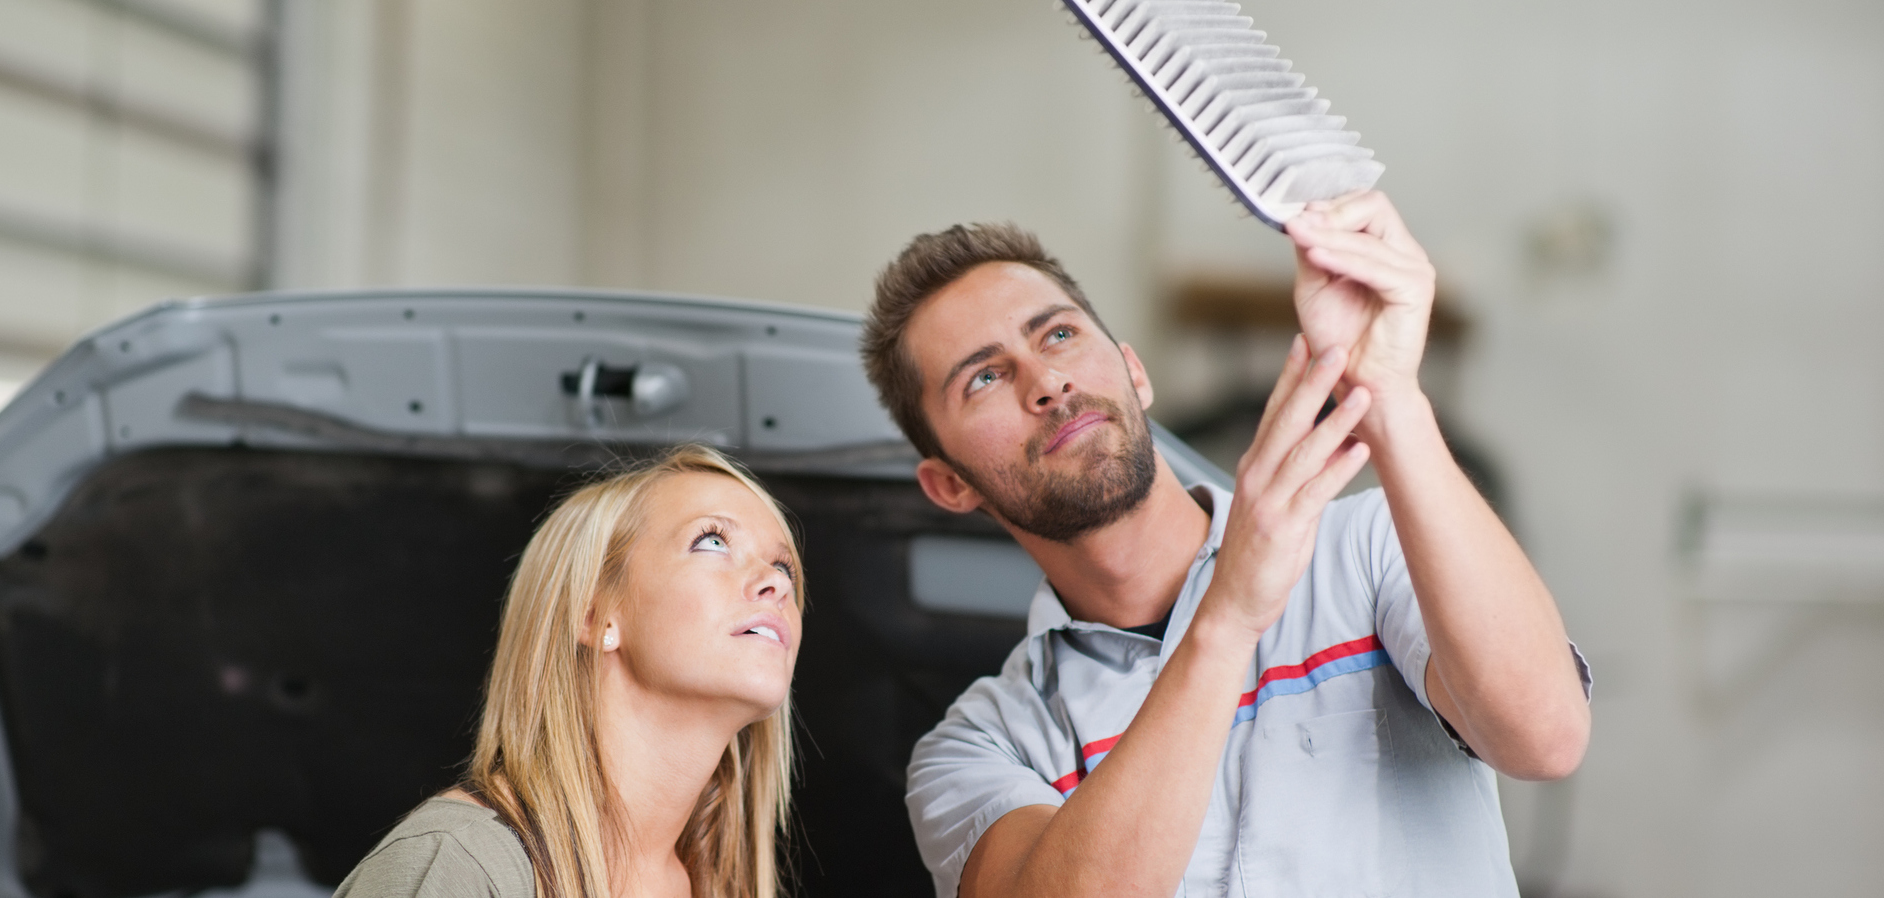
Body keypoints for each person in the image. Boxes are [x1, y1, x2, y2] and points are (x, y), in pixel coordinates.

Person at [861, 191, 1593, 897]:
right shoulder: (982, 747)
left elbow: (1546, 738)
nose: (1047, 381)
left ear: (1134, 372)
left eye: (1058, 334)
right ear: (949, 486)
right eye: (985, 377)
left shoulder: (1368, 547)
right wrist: (1228, 614)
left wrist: (1392, 395)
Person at [334, 445, 803, 898]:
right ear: (593, 614)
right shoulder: (456, 864)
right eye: (713, 541)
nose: (777, 581)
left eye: (783, 565)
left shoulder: (713, 888)